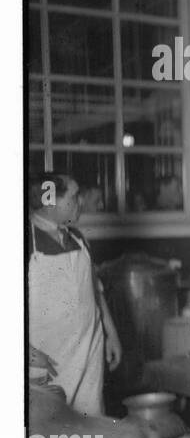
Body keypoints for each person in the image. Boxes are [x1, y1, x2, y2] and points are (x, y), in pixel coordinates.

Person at [26, 173, 122, 415]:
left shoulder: (78, 239)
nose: (81, 202)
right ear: (49, 200)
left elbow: (95, 290)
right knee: (50, 429)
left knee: (90, 422)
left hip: (88, 352)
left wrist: (111, 334)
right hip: (50, 359)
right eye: (75, 196)